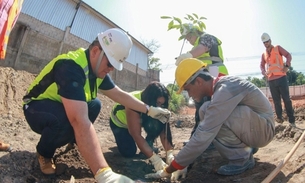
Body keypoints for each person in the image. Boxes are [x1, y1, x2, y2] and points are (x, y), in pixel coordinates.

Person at [22, 28, 171, 182]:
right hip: (35, 107)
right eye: (110, 63)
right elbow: (79, 120)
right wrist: (103, 173)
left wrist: (149, 110)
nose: (111, 69)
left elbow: (119, 95)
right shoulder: (70, 67)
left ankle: (75, 141)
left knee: (95, 104)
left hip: (58, 105)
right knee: (65, 121)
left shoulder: (96, 69)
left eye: (114, 66)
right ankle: (44, 153)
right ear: (95, 51)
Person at [145, 58, 275, 180]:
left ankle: (242, 160)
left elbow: (204, 134)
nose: (189, 94)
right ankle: (246, 149)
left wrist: (171, 168)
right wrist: (183, 163)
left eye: (188, 89)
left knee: (212, 115)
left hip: (265, 131)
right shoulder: (220, 88)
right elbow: (202, 131)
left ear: (199, 82)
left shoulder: (225, 89)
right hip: (257, 128)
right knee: (205, 110)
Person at [110, 81, 174, 171]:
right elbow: (136, 134)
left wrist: (169, 153)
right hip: (121, 124)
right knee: (129, 152)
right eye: (157, 103)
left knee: (157, 123)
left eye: (161, 104)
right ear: (150, 99)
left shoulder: (155, 105)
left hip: (140, 119)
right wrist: (155, 160)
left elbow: (163, 129)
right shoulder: (133, 102)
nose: (159, 107)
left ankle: (148, 143)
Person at [260, 32, 295, 126]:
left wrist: (287, 65)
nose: (266, 43)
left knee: (286, 99)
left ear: (270, 41)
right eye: (264, 42)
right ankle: (280, 119)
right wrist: (264, 72)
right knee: (276, 101)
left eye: (267, 41)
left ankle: (291, 120)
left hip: (281, 77)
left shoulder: (278, 48)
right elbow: (261, 65)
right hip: (271, 80)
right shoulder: (263, 54)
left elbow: (288, 55)